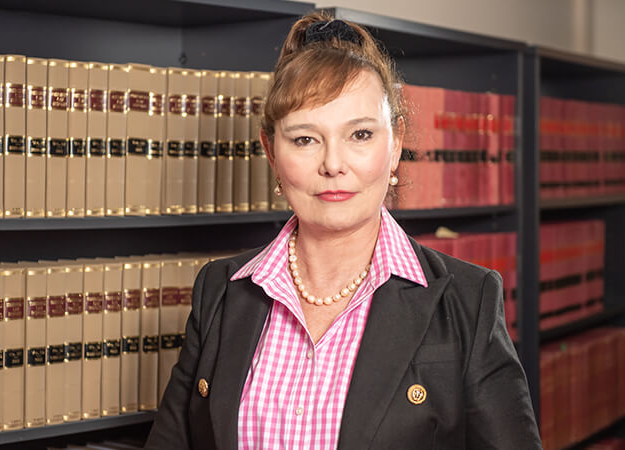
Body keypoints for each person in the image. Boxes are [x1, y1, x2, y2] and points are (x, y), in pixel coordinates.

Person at [145, 11, 541, 450]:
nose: (333, 164)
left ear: (394, 146)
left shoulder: (469, 301)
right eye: (305, 139)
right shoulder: (218, 291)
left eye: (360, 135)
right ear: (271, 153)